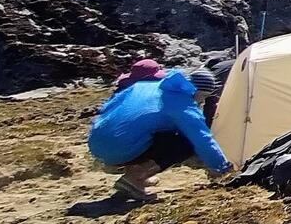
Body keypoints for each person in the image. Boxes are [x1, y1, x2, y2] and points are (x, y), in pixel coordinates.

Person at [88, 66, 232, 203]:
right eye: (203, 97)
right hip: (119, 150)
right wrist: (222, 168)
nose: (201, 101)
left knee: (144, 130)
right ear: (197, 92)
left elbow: (111, 108)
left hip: (96, 142)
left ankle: (135, 171)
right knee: (185, 143)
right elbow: (202, 139)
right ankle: (135, 178)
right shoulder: (182, 104)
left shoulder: (145, 86)